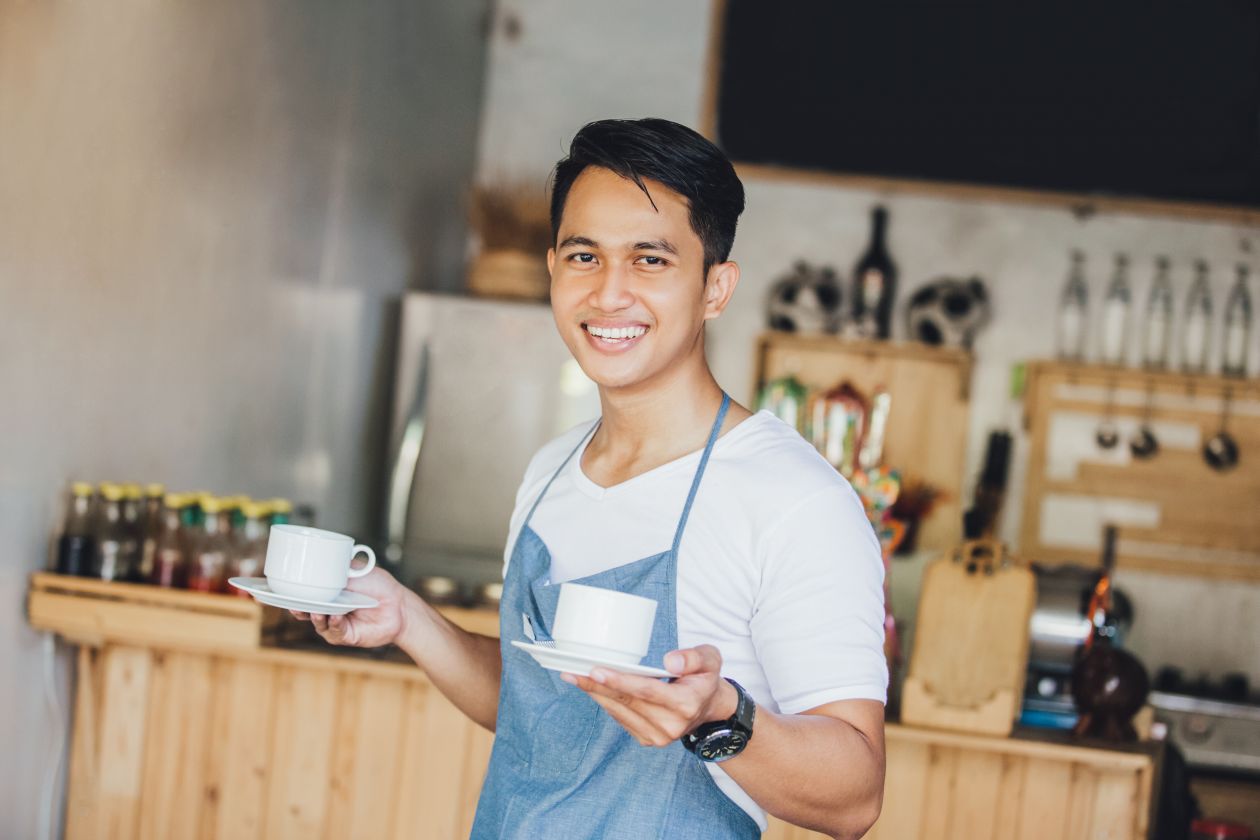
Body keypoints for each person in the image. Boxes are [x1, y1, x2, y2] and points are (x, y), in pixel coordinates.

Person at [292, 118, 887, 839]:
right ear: (553, 269)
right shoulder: (551, 470)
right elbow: (539, 704)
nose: (609, 293)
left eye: (651, 260)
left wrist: (718, 717)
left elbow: (854, 797)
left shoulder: (794, 501)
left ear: (715, 288)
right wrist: (407, 617)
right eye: (584, 255)